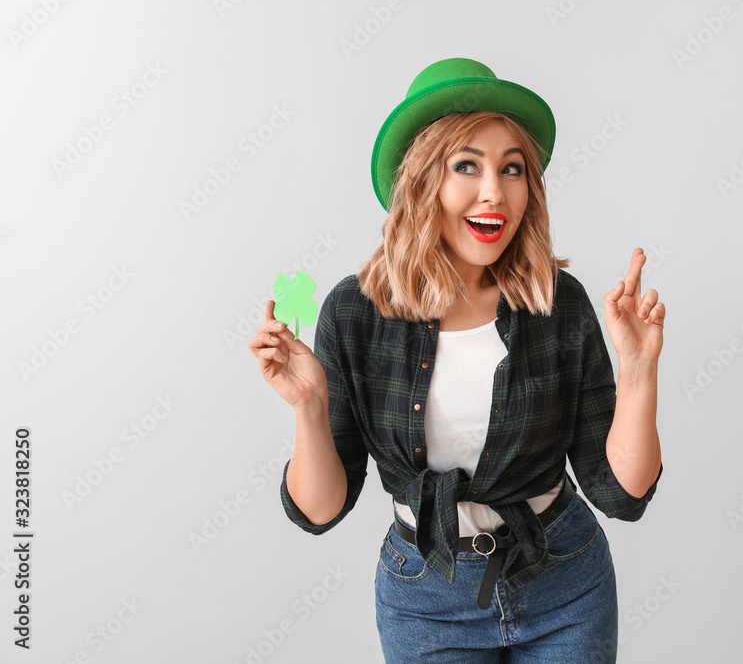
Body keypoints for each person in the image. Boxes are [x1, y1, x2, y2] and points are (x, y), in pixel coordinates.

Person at [248, 57, 665, 663]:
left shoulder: (558, 303)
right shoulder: (354, 313)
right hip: (425, 599)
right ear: (421, 179)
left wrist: (639, 369)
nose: (494, 191)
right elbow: (319, 509)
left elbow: (623, 493)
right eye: (466, 165)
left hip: (565, 582)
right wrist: (310, 406)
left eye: (512, 168)